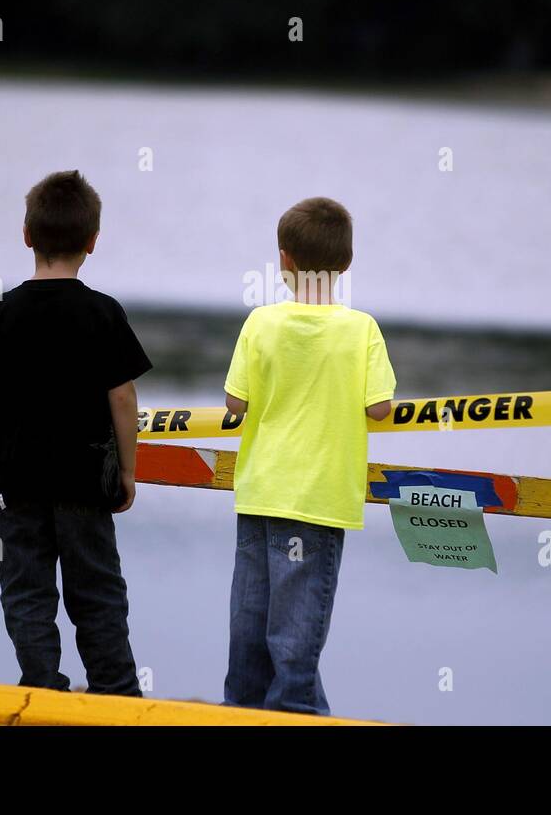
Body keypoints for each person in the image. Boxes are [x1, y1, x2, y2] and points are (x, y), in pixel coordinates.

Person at [0, 170, 149, 696]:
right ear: (93, 241)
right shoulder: (103, 312)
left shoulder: (1, 311)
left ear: (27, 234)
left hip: (18, 483)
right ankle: (116, 696)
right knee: (97, 593)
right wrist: (128, 472)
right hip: (85, 483)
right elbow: (123, 398)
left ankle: (41, 688)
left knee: (27, 593)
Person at [222, 196, 396, 715]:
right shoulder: (361, 329)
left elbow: (235, 402)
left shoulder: (259, 323)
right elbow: (381, 408)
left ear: (284, 260)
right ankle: (298, 715)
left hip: (259, 492)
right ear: (346, 263)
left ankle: (240, 712)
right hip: (317, 500)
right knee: (295, 639)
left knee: (249, 628)